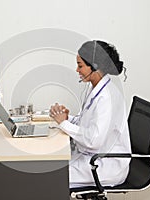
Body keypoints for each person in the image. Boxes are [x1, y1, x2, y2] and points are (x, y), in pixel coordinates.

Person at [49, 40, 131, 188]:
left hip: (104, 165)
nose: (77, 70)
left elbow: (94, 141)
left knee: (50, 177)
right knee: (49, 166)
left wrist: (64, 123)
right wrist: (69, 119)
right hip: (92, 158)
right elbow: (88, 124)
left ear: (95, 67)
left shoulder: (106, 97)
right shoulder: (98, 89)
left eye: (80, 65)